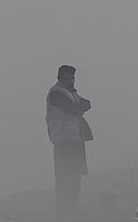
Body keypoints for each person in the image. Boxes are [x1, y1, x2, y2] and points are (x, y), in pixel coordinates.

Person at [45, 65, 93, 219]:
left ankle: (72, 206)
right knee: (64, 174)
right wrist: (79, 107)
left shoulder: (72, 93)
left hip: (75, 139)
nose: (71, 80)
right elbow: (73, 108)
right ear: (60, 77)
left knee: (75, 173)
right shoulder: (56, 92)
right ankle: (63, 209)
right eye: (67, 77)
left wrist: (79, 106)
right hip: (63, 141)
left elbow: (87, 103)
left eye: (72, 77)